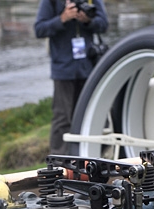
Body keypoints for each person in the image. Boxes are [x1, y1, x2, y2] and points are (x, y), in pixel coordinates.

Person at [34, 0, 108, 155]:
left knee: (91, 115)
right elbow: (39, 29)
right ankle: (58, 162)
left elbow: (104, 25)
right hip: (63, 69)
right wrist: (62, 18)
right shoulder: (51, 2)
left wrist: (88, 21)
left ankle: (91, 157)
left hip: (89, 67)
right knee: (62, 118)